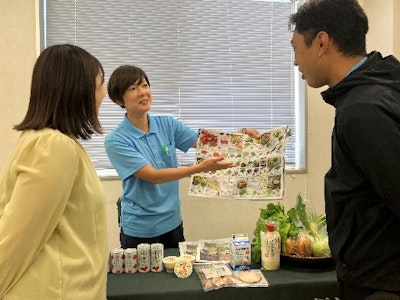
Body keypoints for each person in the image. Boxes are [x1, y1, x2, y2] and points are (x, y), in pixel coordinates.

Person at [289, 0, 400, 299]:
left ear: (321, 42)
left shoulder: (363, 109)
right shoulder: (376, 87)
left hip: (381, 283)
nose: (295, 62)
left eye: (296, 48)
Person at [105, 65, 260, 249]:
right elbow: (153, 176)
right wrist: (200, 169)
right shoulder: (116, 140)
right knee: (143, 279)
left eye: (145, 85)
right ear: (118, 99)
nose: (142, 93)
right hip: (139, 229)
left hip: (172, 222)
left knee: (177, 274)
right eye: (132, 88)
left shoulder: (167, 124)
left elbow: (205, 143)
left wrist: (241, 134)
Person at [0, 44, 108, 299]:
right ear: (78, 89)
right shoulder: (54, 147)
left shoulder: (53, 142)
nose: (104, 93)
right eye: (100, 84)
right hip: (56, 290)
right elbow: (15, 240)